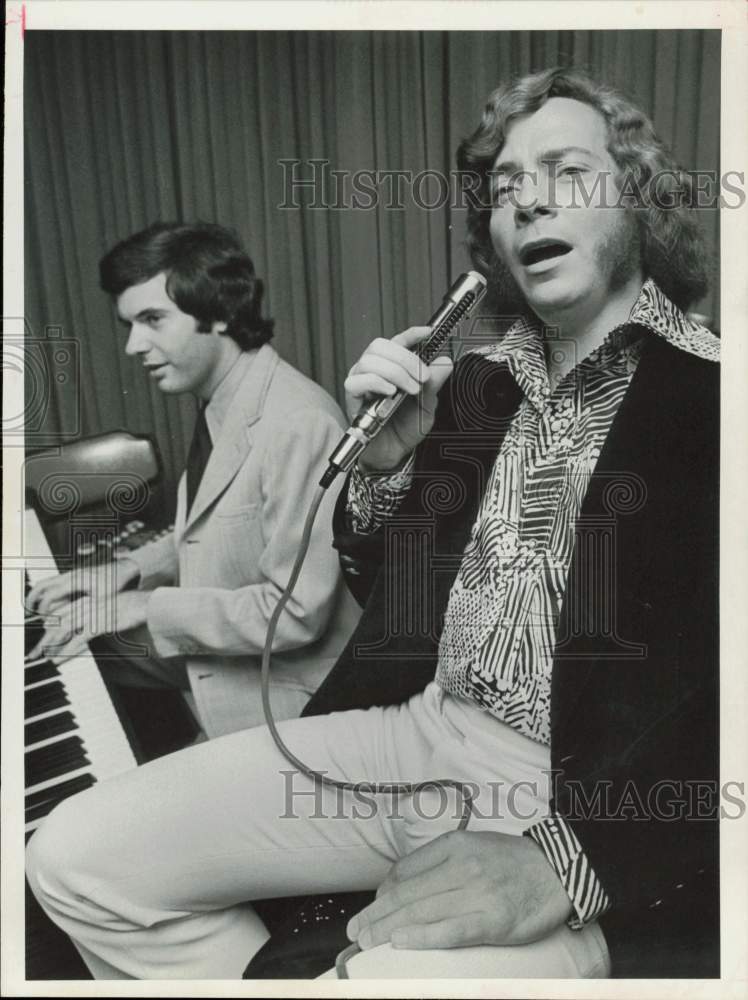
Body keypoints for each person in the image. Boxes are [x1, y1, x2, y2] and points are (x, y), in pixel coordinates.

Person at [26, 68, 719, 979]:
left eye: (566, 171)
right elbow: (385, 597)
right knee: (72, 859)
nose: (528, 201)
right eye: (507, 186)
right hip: (419, 730)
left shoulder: (716, 397)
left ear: (638, 198)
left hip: (586, 798)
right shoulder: (479, 384)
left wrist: (574, 859)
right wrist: (389, 470)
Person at [26, 222, 361, 737]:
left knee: (74, 656)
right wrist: (128, 571)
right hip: (235, 655)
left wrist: (139, 604)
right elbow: (219, 530)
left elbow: (293, 613)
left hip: (288, 699)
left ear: (221, 312)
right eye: (129, 325)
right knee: (61, 643)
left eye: (153, 319)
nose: (134, 346)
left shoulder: (299, 423)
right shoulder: (225, 395)